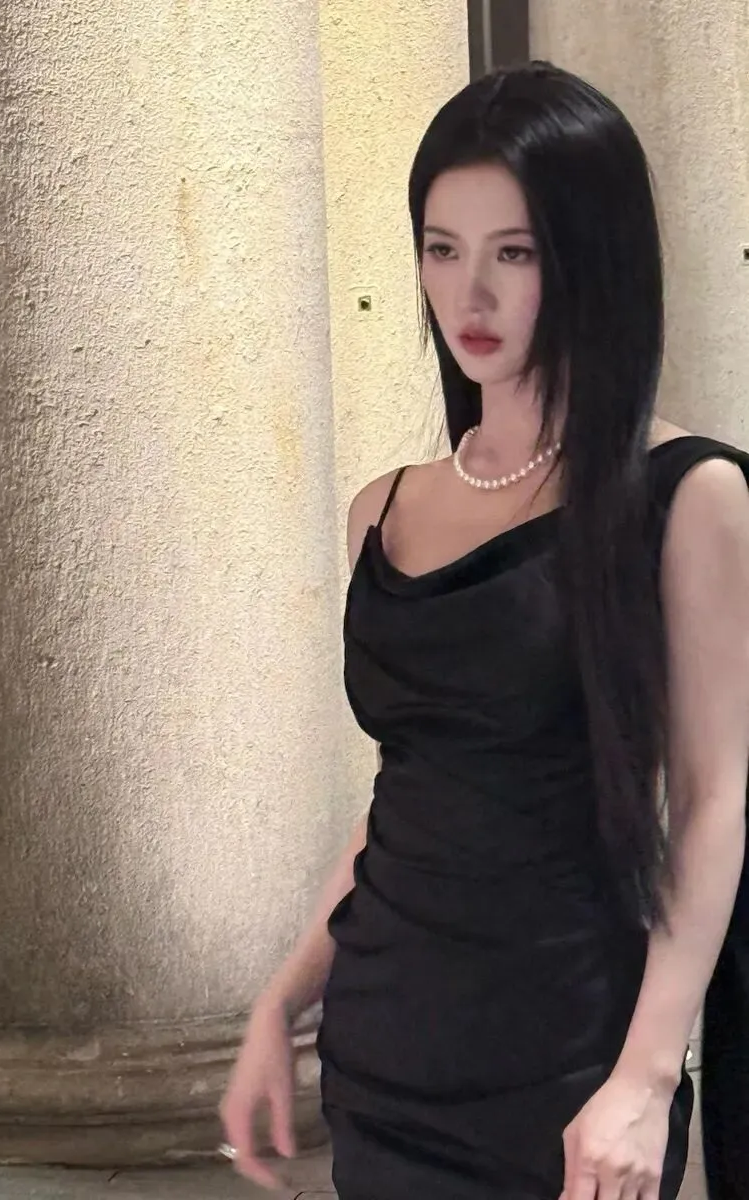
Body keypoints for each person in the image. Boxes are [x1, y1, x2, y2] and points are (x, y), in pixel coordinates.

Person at [219, 61, 749, 1200]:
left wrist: (647, 1078)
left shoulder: (684, 495)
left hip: (566, 1056)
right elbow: (409, 794)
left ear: (590, 259)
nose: (470, 293)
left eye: (515, 252)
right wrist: (284, 997)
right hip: (384, 1041)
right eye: (441, 247)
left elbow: (714, 805)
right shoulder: (383, 509)